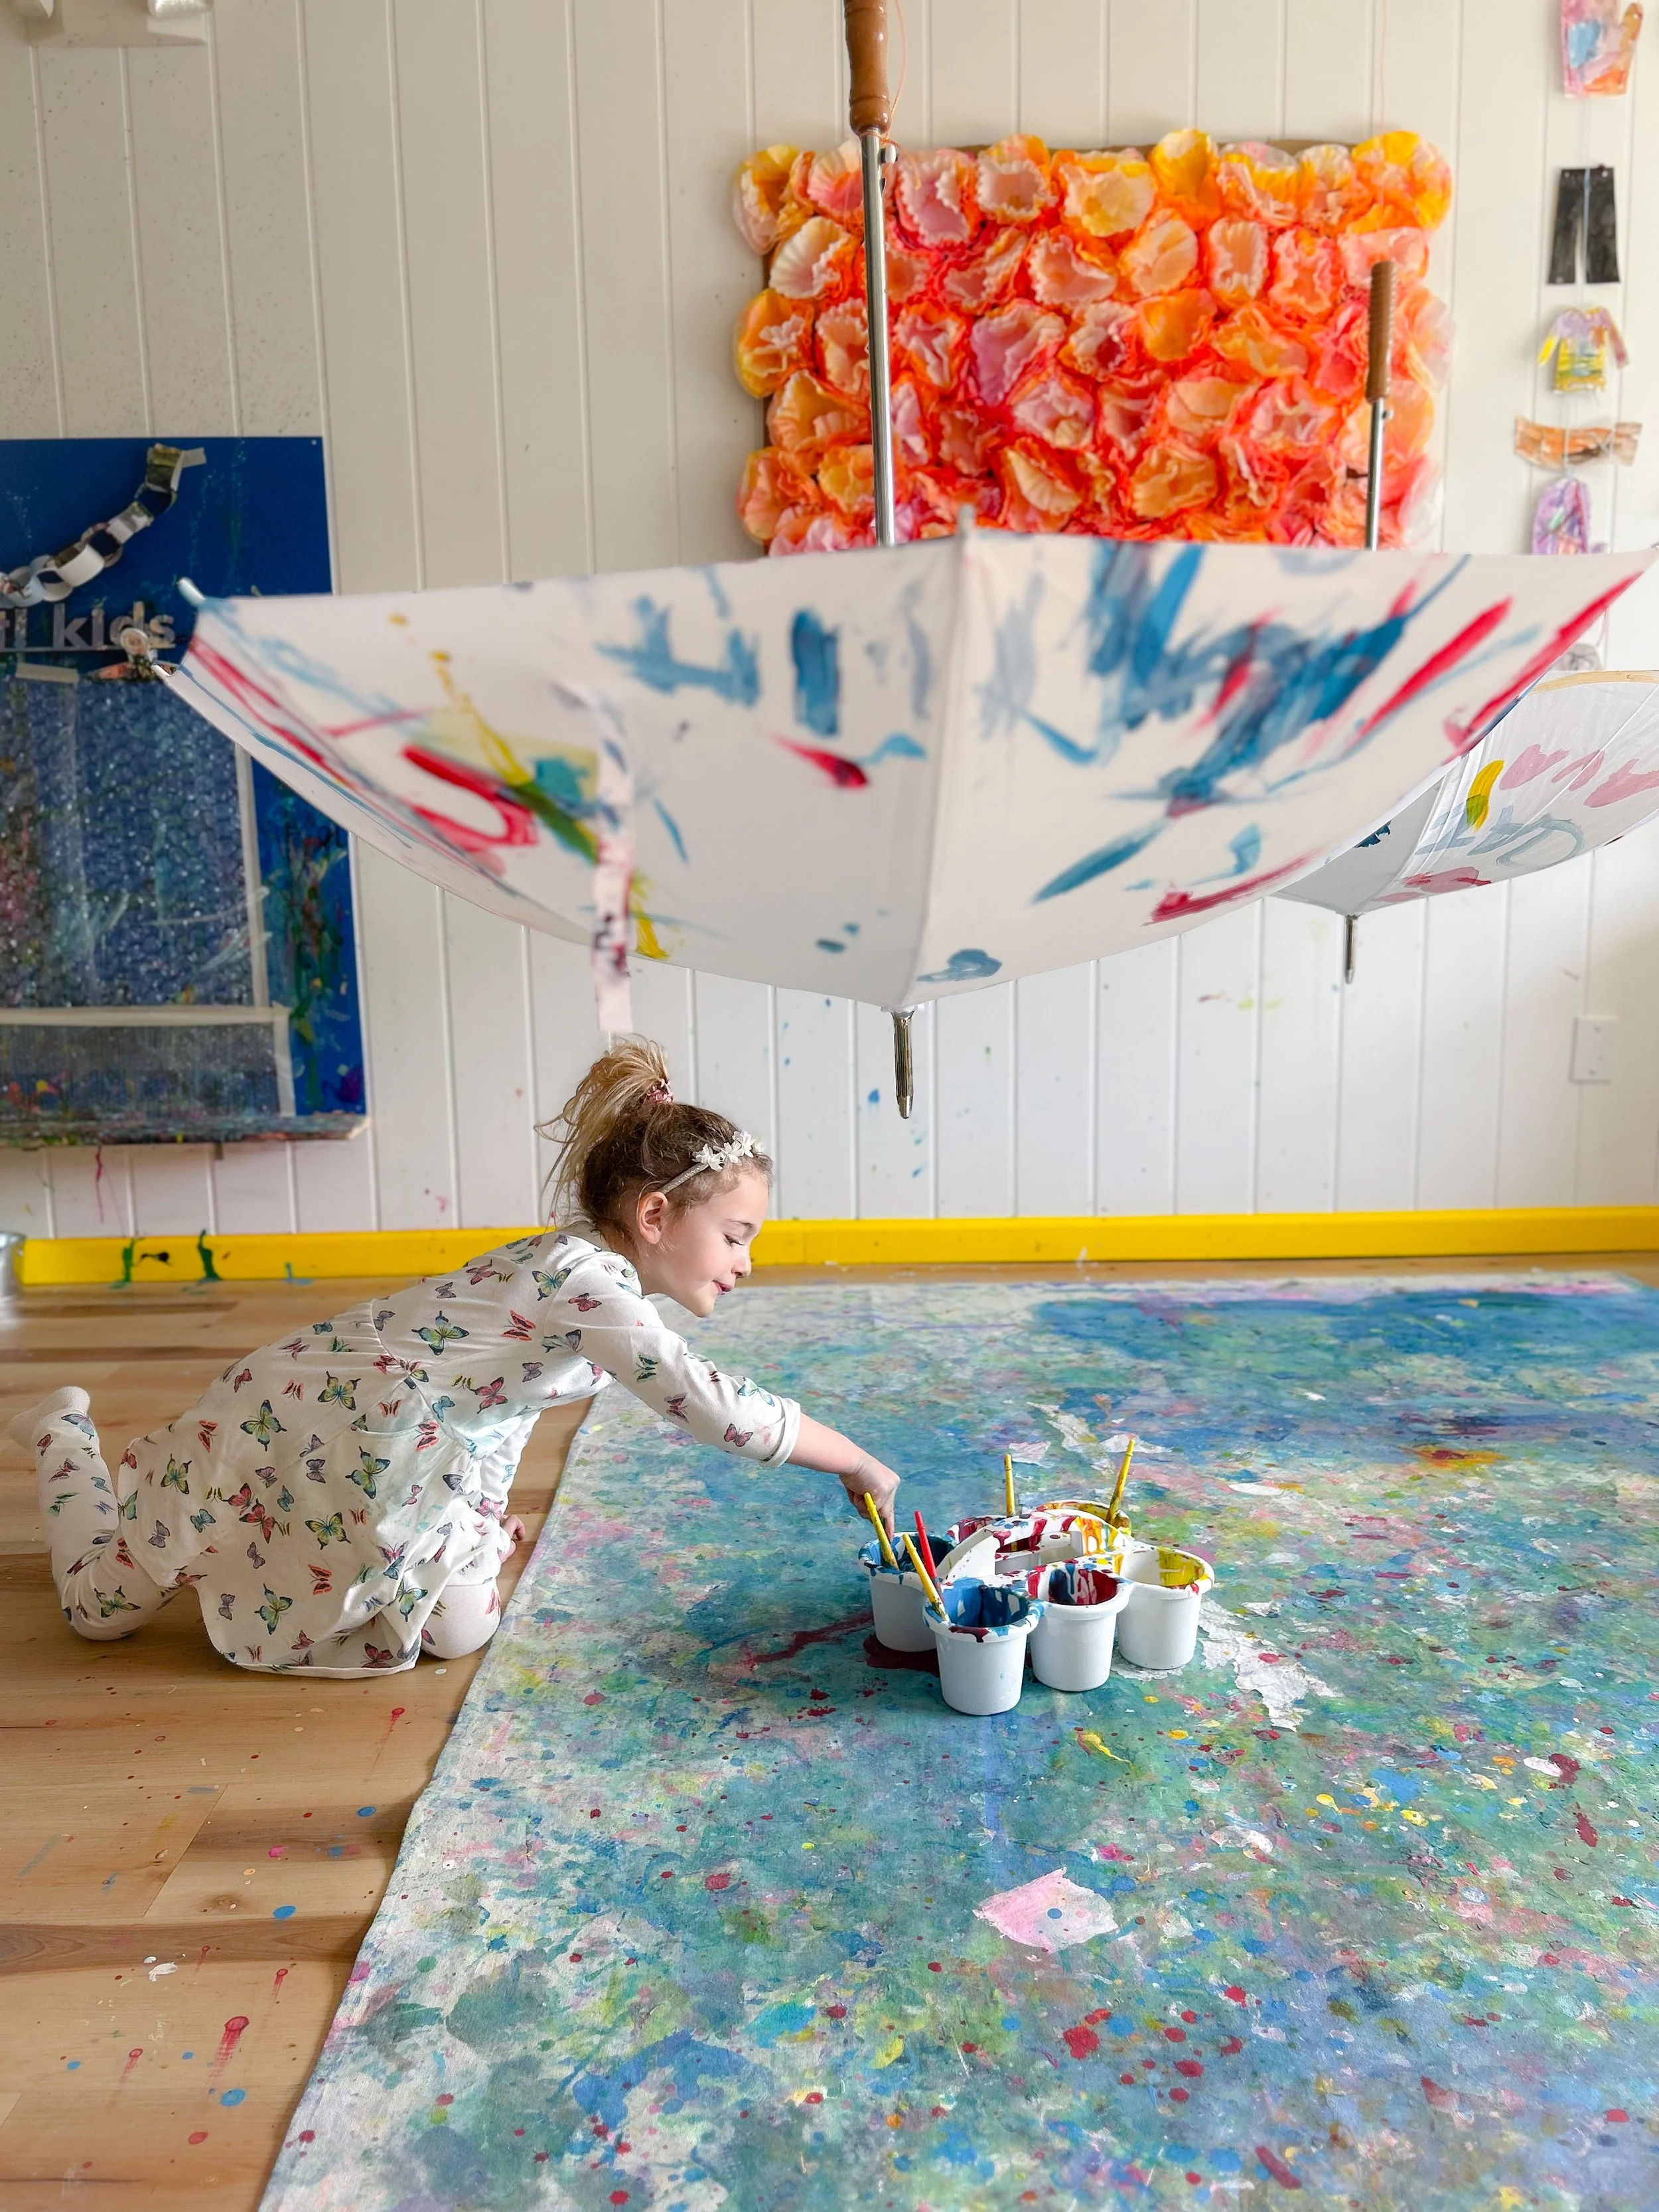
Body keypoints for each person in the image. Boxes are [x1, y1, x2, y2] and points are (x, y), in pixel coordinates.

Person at [7, 1039, 902, 1676]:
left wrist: (473, 1518)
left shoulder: (588, 1282)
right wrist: (854, 1459)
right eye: (737, 1235)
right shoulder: (585, 1279)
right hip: (287, 1421)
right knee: (99, 1614)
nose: (748, 1261)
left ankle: (394, 1555)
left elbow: (495, 1414)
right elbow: (715, 1407)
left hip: (387, 1455)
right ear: (657, 1218)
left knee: (461, 1632)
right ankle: (63, 1436)